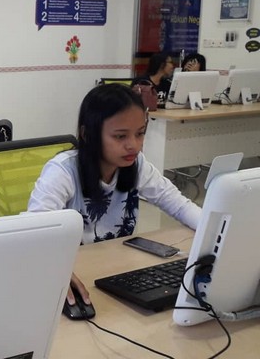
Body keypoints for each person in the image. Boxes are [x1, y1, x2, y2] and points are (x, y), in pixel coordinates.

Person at [27, 83, 201, 307]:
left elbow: (179, 205)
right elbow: (34, 233)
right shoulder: (63, 171)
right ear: (88, 134)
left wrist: (217, 231)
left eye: (140, 133)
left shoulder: (136, 164)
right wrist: (55, 270)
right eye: (120, 136)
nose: (134, 145)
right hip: (76, 275)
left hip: (118, 271)